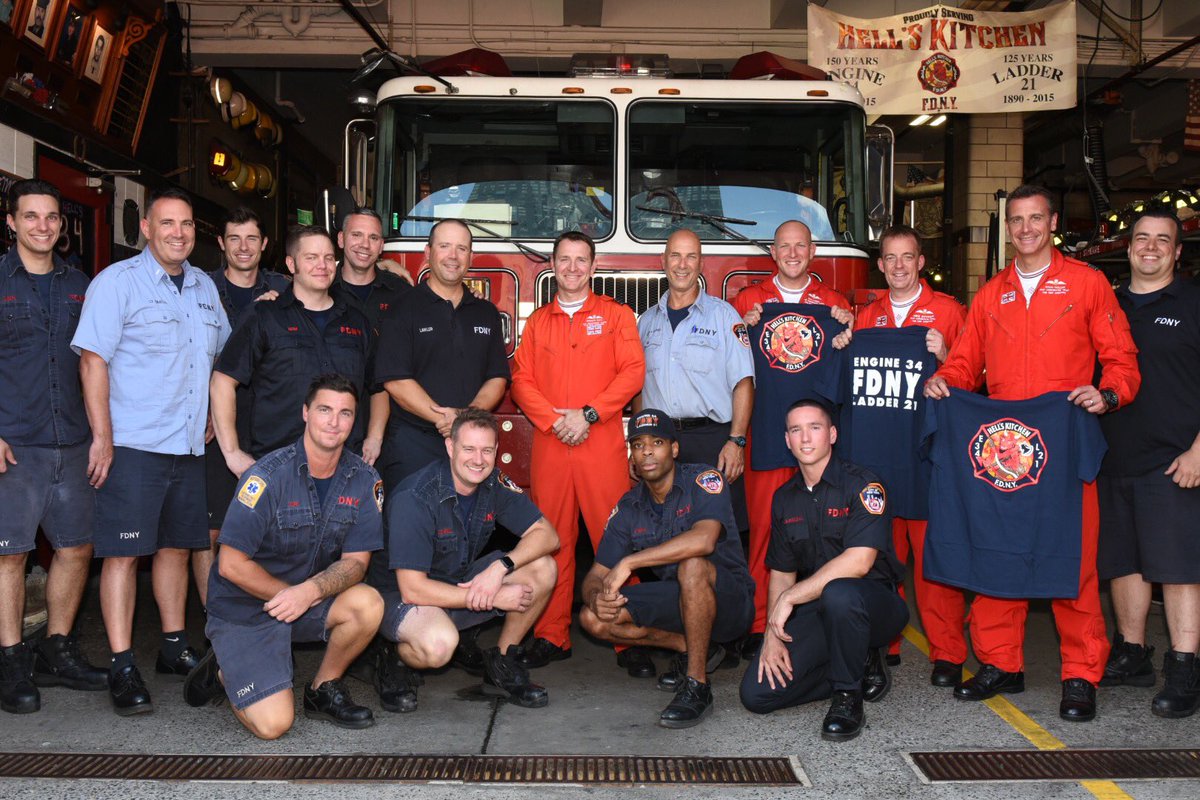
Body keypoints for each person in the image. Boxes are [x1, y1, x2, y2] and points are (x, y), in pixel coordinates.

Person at [925, 183, 1140, 722]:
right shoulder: (990, 291)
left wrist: (1107, 393)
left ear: (1052, 223)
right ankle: (1002, 664)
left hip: (1064, 446)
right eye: (1016, 220)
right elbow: (966, 359)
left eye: (1035, 219)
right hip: (1001, 452)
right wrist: (944, 381)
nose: (1025, 229)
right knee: (998, 552)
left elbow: (1123, 360)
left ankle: (1081, 674)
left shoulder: (1086, 284)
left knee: (1072, 561)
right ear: (1009, 227)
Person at [72, 187, 231, 715]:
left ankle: (171, 645)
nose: (178, 233)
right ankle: (121, 663)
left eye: (186, 224)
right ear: (146, 228)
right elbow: (93, 361)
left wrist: (211, 412)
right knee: (122, 555)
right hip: (134, 444)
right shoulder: (117, 283)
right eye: (167, 224)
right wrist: (102, 437)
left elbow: (219, 363)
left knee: (177, 548)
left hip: (187, 447)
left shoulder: (206, 287)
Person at [183, 375, 384, 739]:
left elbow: (357, 562)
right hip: (246, 611)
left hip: (304, 600)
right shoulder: (267, 477)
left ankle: (323, 687)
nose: (334, 422)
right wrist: (289, 595)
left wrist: (307, 593)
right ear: (305, 413)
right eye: (324, 410)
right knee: (274, 726)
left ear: (355, 420)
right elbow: (229, 564)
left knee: (368, 603)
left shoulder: (363, 479)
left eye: (345, 413)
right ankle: (225, 669)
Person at [510, 231, 645, 672]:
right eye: (564, 260)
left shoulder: (616, 315)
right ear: (553, 264)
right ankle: (551, 634)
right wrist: (554, 421)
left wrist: (587, 415)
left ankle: (629, 634)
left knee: (617, 538)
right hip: (551, 445)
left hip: (599, 442)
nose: (572, 268)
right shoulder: (539, 322)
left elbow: (632, 373)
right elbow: (521, 380)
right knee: (552, 540)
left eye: (580, 260)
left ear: (593, 266)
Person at [366, 408, 558, 712]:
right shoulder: (416, 497)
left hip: (454, 580)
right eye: (468, 449)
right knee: (440, 645)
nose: (478, 459)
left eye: (486, 450)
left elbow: (547, 535)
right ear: (450, 447)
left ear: (496, 451)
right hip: (400, 598)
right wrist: (493, 595)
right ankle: (393, 657)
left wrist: (501, 567)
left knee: (543, 567)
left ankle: (502, 664)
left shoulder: (493, 482)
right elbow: (413, 590)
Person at [738, 399, 906, 741]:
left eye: (814, 427)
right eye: (795, 430)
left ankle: (847, 696)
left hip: (875, 607)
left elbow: (858, 563)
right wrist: (772, 634)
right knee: (757, 695)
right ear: (786, 440)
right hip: (820, 609)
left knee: (840, 592)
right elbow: (782, 572)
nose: (805, 438)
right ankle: (856, 664)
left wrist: (791, 598)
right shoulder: (784, 498)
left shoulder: (864, 484)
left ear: (831, 434)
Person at [0, 180, 106, 714]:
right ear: (12, 222)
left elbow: (99, 362)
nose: (43, 226)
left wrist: (102, 435)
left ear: (61, 227)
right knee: (10, 555)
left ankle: (56, 649)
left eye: (52, 218)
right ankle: (11, 657)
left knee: (77, 547)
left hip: (74, 441)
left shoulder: (82, 286)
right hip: (14, 444)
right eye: (31, 216)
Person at [579, 410, 754, 728]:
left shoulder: (703, 479)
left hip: (731, 601)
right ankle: (694, 647)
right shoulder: (630, 507)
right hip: (680, 599)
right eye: (638, 444)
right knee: (592, 619)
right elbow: (595, 574)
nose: (647, 451)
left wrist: (630, 562)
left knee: (692, 565)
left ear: (674, 449)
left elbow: (704, 540)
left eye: (657, 442)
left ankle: (697, 685)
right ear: (631, 456)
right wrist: (596, 597)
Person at [1096, 210, 1200, 718]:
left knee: (1178, 567)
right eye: (1142, 239)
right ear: (1128, 246)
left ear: (1178, 252)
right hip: (1112, 458)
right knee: (1124, 561)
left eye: (1164, 240)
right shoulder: (1107, 305)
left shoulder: (1194, 302)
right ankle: (1132, 653)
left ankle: (1184, 664)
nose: (1151, 248)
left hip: (1176, 460)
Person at [853, 224, 967, 684]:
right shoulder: (865, 317)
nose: (899, 266)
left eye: (908, 257)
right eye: (890, 258)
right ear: (880, 265)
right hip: (877, 460)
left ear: (922, 262)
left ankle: (947, 652)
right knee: (880, 558)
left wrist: (949, 353)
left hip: (928, 457)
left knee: (934, 560)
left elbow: (976, 376)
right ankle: (886, 642)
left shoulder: (949, 312)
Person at [734, 220, 854, 655]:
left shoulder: (835, 303)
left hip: (816, 441)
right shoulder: (747, 301)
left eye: (799, 246)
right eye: (783, 246)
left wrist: (847, 328)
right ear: (772, 251)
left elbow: (848, 359)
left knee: (824, 530)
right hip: (767, 434)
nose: (791, 253)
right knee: (766, 531)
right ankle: (758, 623)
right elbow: (733, 366)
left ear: (812, 250)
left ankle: (818, 618)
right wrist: (741, 329)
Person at [210, 225, 375, 482]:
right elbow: (222, 381)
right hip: (276, 469)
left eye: (329, 258)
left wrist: (374, 438)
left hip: (345, 470)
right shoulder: (264, 316)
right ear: (291, 263)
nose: (322, 265)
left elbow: (379, 386)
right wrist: (232, 453)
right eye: (311, 257)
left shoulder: (357, 321)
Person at [197, 207, 290, 610]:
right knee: (211, 531)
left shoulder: (286, 287)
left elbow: (339, 285)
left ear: (265, 244)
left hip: (270, 422)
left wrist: (392, 270)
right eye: (234, 238)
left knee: (267, 526)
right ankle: (213, 618)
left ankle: (264, 613)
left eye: (252, 238)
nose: (243, 247)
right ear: (221, 243)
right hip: (215, 423)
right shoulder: (199, 287)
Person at [373, 219, 508, 490]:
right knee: (410, 527)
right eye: (444, 246)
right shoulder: (402, 309)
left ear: (471, 256)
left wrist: (465, 418)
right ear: (428, 252)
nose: (453, 256)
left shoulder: (486, 313)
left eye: (461, 248)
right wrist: (446, 420)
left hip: (471, 448)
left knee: (469, 527)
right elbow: (396, 381)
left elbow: (498, 379)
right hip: (413, 446)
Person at [635, 228, 753, 519]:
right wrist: (640, 442)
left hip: (711, 442)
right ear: (663, 261)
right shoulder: (646, 323)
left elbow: (744, 382)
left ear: (701, 264)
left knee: (718, 535)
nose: (682, 264)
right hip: (660, 441)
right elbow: (638, 388)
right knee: (660, 532)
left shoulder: (725, 316)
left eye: (691, 257)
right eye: (675, 255)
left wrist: (736, 441)